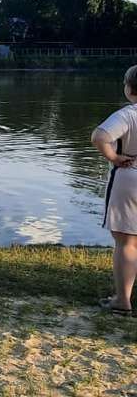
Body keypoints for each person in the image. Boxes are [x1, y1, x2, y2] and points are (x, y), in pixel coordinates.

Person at [93, 65, 137, 316]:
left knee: (127, 243)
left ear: (130, 89)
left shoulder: (128, 114)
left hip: (130, 176)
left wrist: (113, 156)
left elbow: (99, 136)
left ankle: (123, 300)